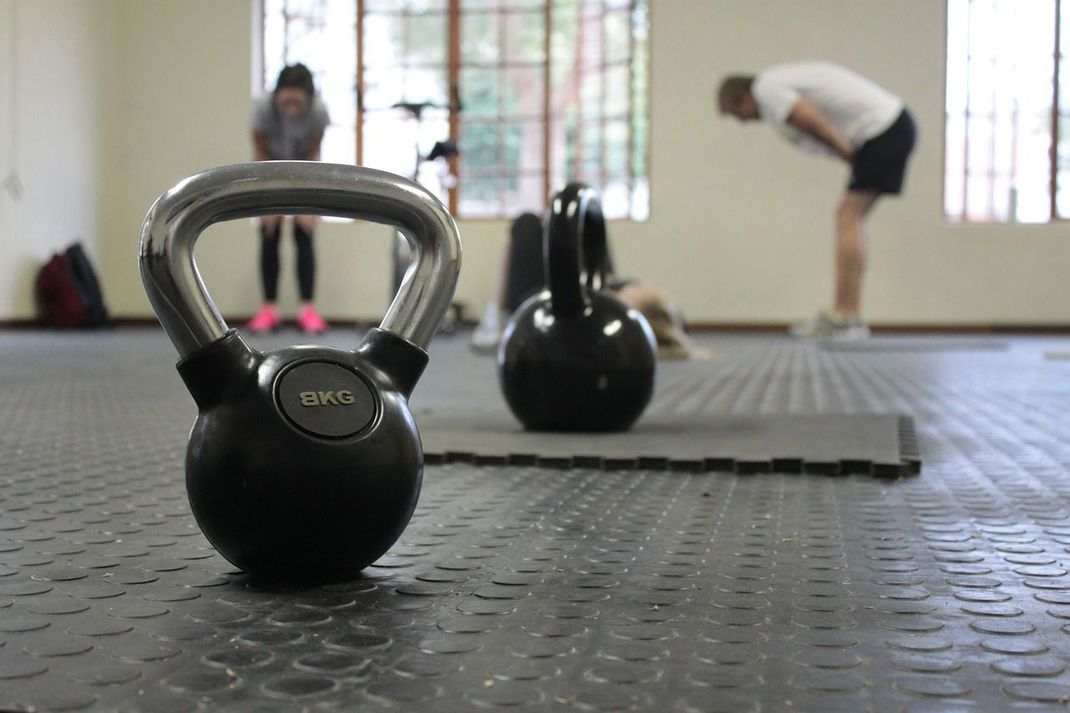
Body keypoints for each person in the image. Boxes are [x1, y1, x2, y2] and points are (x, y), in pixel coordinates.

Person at [718, 61, 917, 340]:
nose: (741, 121)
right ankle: (849, 315)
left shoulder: (766, 88)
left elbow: (811, 121)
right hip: (889, 128)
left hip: (883, 129)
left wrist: (846, 152)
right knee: (852, 218)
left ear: (743, 96)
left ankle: (844, 317)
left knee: (848, 217)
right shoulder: (773, 90)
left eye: (736, 113)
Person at [247, 63, 331, 334]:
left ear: (308, 99)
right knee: (269, 231)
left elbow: (312, 153)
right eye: (287, 100)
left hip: (303, 169)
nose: (291, 107)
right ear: (277, 95)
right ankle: (268, 309)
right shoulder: (262, 109)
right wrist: (268, 202)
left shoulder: (318, 112)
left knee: (304, 231)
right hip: (267, 168)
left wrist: (308, 205)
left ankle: (307, 310)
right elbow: (260, 152)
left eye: (298, 101)